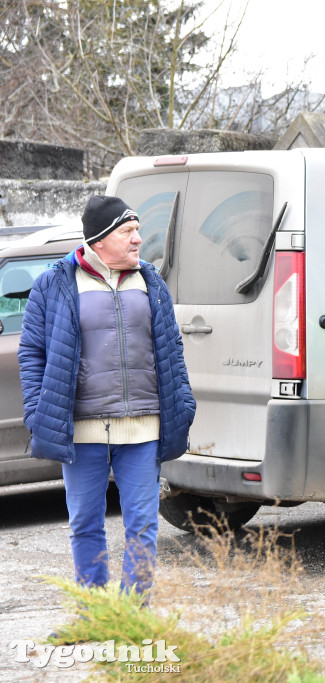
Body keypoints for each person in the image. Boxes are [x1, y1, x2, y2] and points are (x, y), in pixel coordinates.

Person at [18, 196, 195, 602]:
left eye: (137, 230)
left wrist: (183, 401)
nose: (138, 239)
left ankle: (133, 612)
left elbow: (172, 347)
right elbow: (32, 351)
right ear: (99, 239)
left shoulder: (150, 281)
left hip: (145, 427)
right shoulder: (56, 282)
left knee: (142, 525)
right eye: (127, 231)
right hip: (81, 430)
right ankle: (96, 611)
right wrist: (36, 410)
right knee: (85, 524)